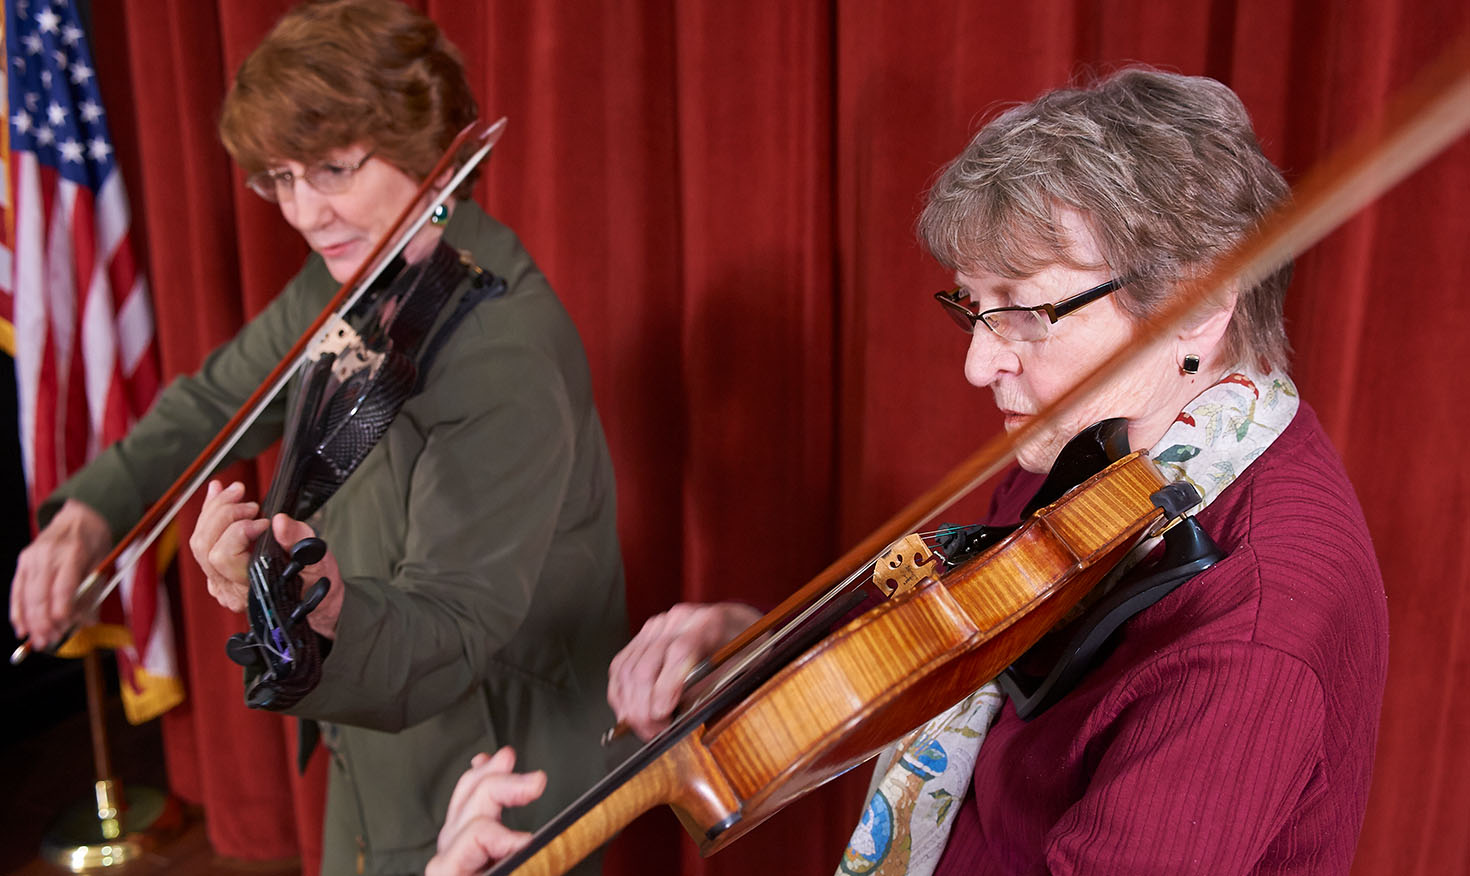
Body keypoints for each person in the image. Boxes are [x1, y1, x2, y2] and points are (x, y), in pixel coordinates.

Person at [425, 67, 1389, 876]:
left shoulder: (1256, 626)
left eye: (1024, 312)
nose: (979, 363)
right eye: (973, 308)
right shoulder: (1103, 455)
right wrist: (763, 651)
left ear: (1195, 308)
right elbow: (952, 655)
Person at [7, 1, 626, 873]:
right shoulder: (351, 275)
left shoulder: (502, 351)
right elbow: (219, 399)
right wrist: (92, 514)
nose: (302, 210)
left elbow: (449, 629)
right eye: (281, 177)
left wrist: (321, 611)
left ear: (428, 149)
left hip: (487, 773)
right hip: (372, 746)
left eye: (332, 170)